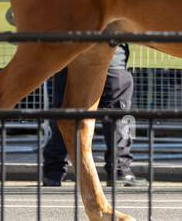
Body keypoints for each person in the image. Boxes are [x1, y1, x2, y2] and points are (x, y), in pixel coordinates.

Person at [42, 44, 142, 187]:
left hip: (70, 61)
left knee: (65, 117)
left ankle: (53, 171)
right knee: (119, 118)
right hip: (110, 63)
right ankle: (119, 169)